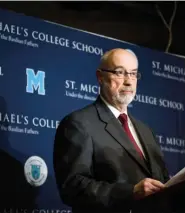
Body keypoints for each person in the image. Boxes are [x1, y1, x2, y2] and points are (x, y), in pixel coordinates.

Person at [53, 48, 170, 213]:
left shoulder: (146, 130)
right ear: (100, 77)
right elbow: (72, 187)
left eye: (133, 74)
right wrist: (130, 192)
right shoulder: (79, 123)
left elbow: (163, 180)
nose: (129, 81)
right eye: (120, 72)